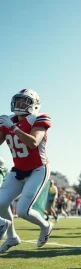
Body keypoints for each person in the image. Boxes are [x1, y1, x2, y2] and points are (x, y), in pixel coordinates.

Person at [0, 88, 53, 252]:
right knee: (0, 203)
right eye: (18, 100)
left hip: (38, 169)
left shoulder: (39, 118)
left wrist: (14, 128)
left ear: (34, 105)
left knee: (23, 211)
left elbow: (33, 143)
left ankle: (45, 226)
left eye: (25, 101)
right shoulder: (8, 120)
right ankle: (12, 237)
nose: (20, 104)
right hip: (18, 170)